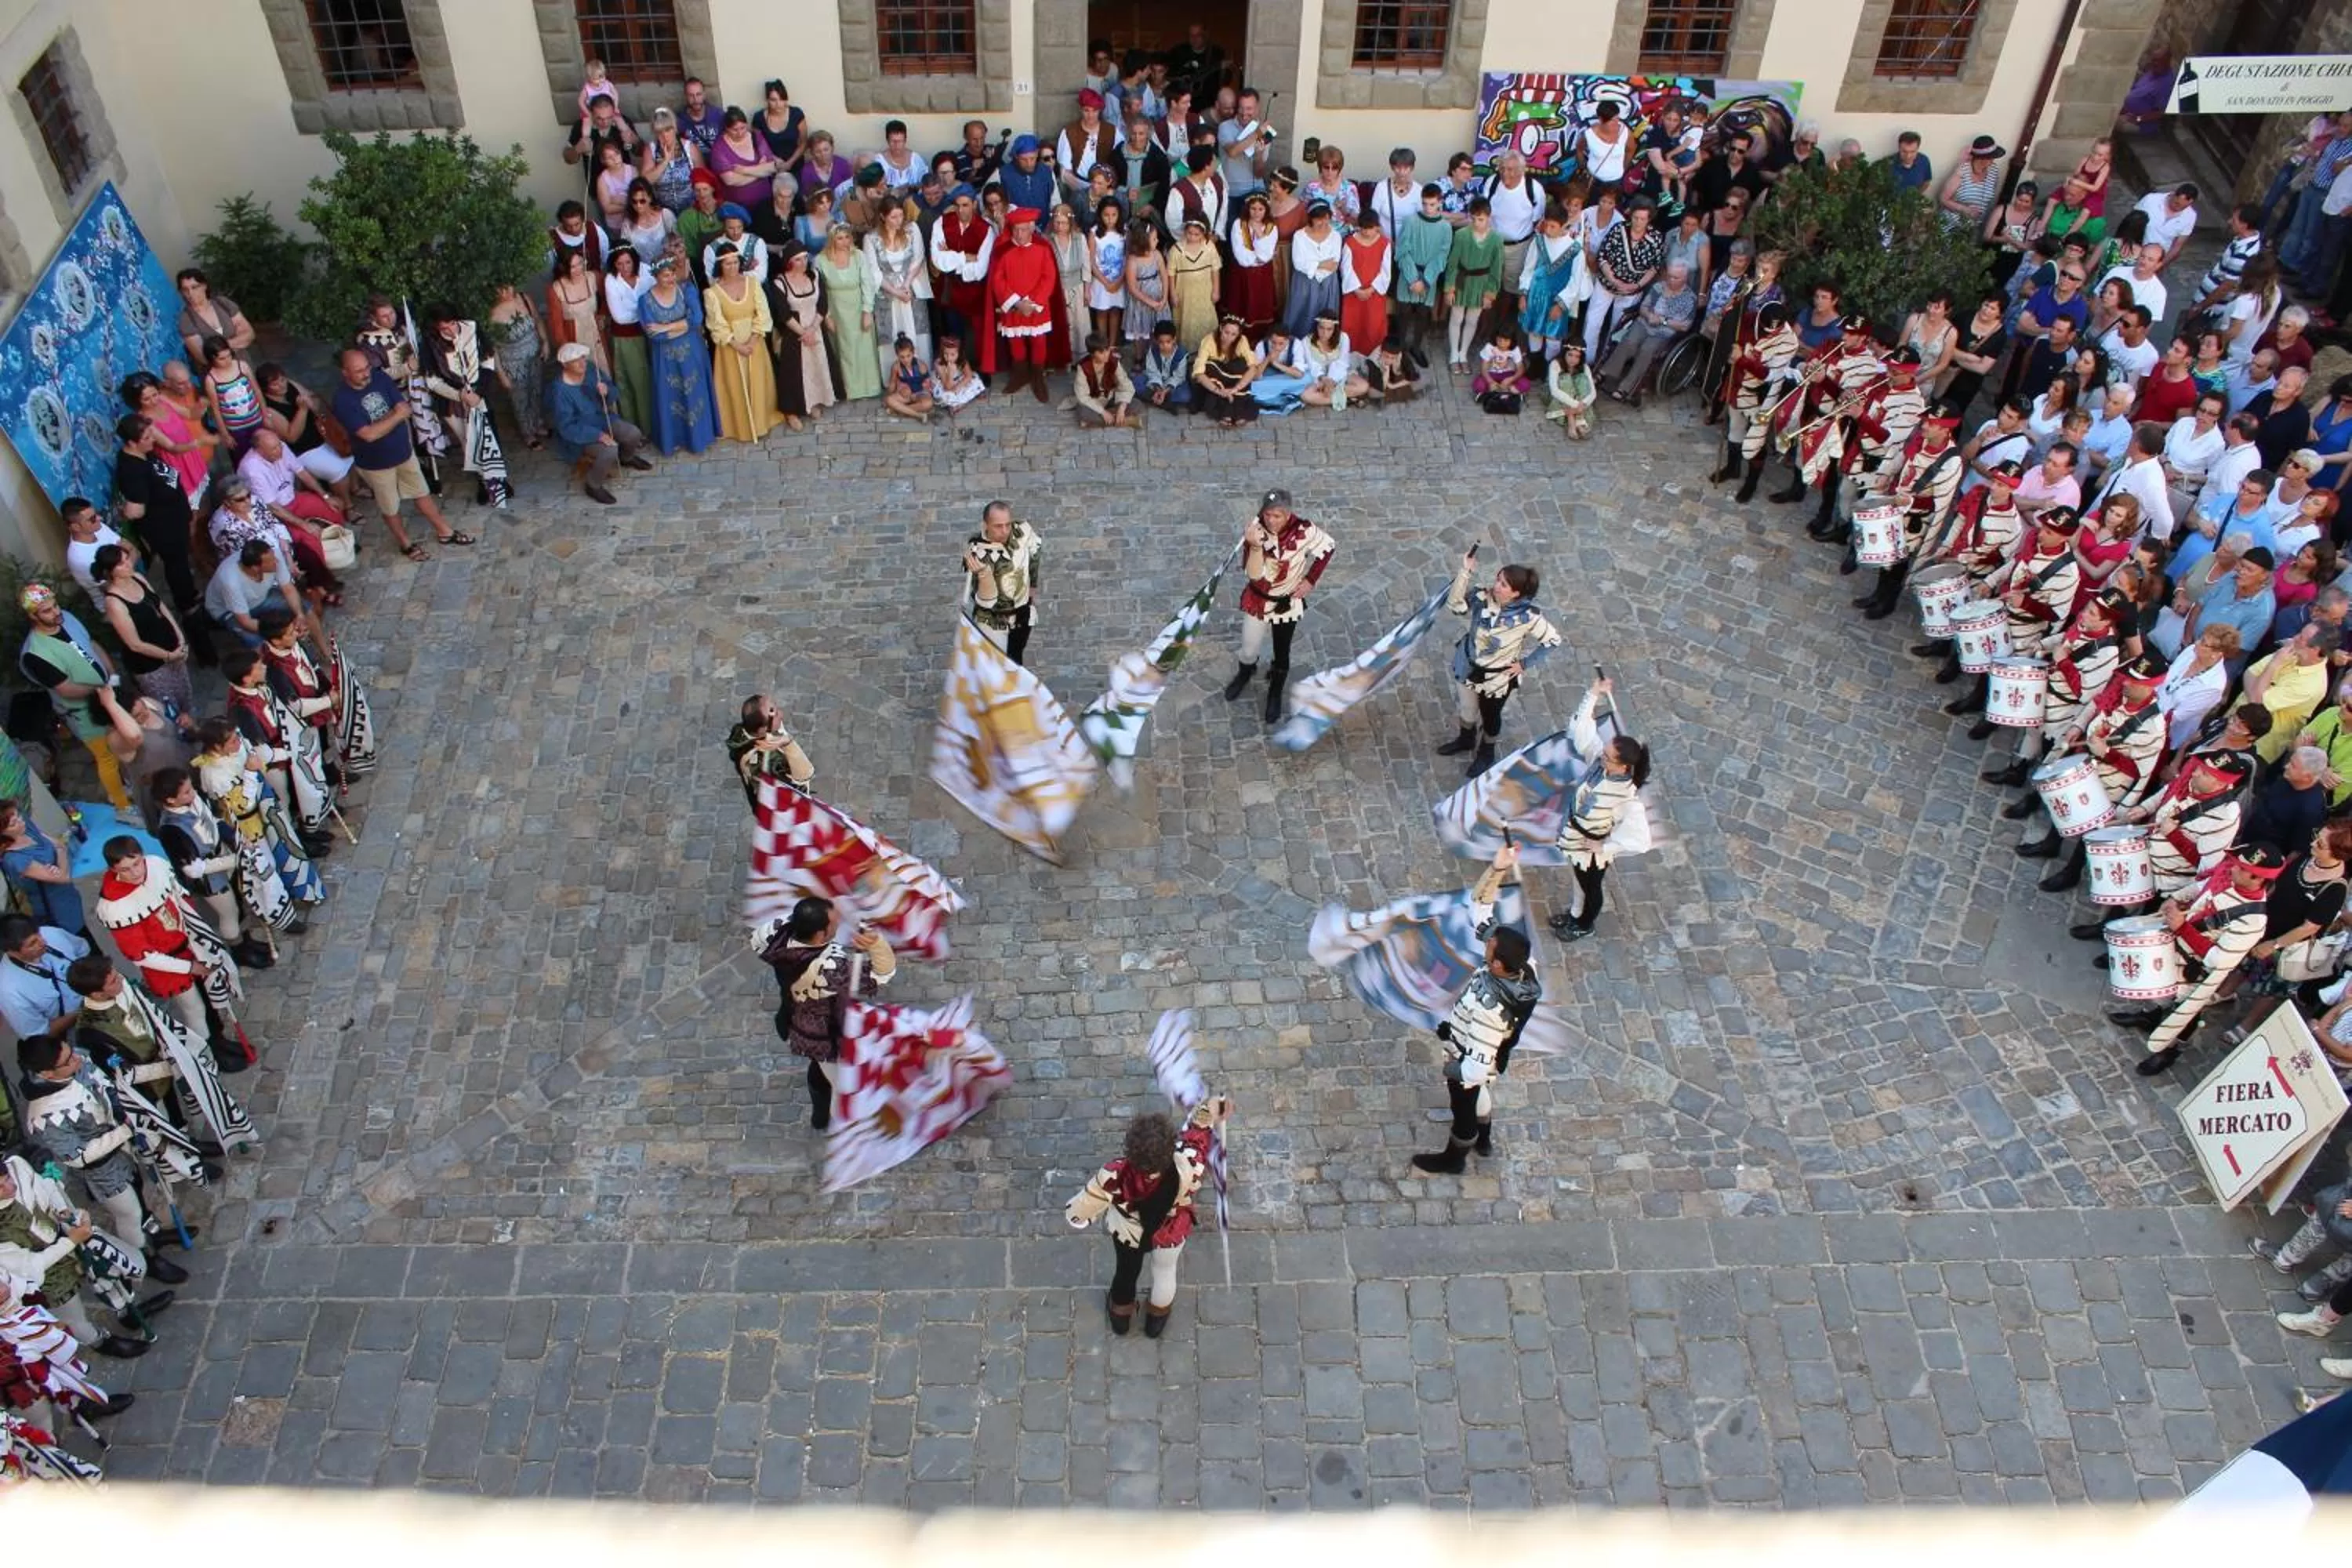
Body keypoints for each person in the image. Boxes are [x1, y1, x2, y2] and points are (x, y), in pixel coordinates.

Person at [1410, 844, 1537, 1174]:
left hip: (1469, 1054)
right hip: (1484, 1052)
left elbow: (1476, 1069)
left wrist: (1454, 1069)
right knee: (1482, 1091)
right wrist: (1498, 869)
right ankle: (1485, 1139)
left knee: (1464, 1107)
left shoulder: (1488, 1010)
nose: (1487, 942)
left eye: (1490, 946)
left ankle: (1456, 1157)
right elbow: (1481, 906)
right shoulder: (1523, 968)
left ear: (1497, 964)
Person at [1065, 1096, 1231, 1338]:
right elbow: (1197, 1139)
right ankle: (1156, 1319)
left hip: (1128, 1233)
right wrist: (1208, 1111)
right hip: (1170, 1231)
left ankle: (1121, 1317)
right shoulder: (1187, 1168)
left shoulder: (1113, 1174)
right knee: (1165, 1272)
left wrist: (1079, 1216)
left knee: (1126, 1272)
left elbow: (1082, 1209)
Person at [2110, 848, 2281, 1076]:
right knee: (2158, 987)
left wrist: (2183, 928)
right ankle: (2149, 1016)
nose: (2233, 868)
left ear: (2257, 879)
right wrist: (2176, 898)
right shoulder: (2230, 877)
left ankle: (2170, 1050)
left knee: (2186, 1009)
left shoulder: (2254, 921)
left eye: (2241, 868)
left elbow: (2218, 959)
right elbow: (2203, 888)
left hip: (2196, 967)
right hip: (2176, 945)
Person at [91, 837, 248, 1058]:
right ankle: (207, 1054)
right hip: (166, 966)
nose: (135, 873)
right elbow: (141, 955)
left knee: (209, 997)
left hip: (190, 946)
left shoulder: (155, 866)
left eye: (137, 864)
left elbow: (180, 901)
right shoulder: (116, 907)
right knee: (194, 1010)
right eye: (125, 870)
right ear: (113, 870)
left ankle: (218, 1039)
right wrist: (189, 967)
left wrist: (199, 938)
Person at [0, 1151, 159, 1361]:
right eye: (0, 1187)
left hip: (68, 1237)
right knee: (72, 1316)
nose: (10, 1186)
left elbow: (46, 1187)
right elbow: (30, 1266)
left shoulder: (17, 1165)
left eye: (7, 1178)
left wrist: (64, 1210)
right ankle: (101, 1342)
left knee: (108, 1276)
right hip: (48, 1273)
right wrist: (71, 1241)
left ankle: (128, 1313)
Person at [757, 895, 896, 1131]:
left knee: (819, 1069)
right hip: (826, 1035)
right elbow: (881, 974)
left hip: (793, 1019)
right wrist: (876, 945)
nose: (838, 923)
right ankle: (846, 1124)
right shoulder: (829, 970)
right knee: (843, 1083)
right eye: (833, 923)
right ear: (820, 934)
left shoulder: (777, 934)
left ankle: (819, 1117)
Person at [328, 348, 471, 561]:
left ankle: (445, 531)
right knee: (390, 507)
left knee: (421, 492)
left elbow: (403, 408)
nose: (366, 374)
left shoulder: (379, 377)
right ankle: (405, 543)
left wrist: (384, 422)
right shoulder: (343, 400)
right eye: (359, 371)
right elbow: (369, 435)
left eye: (367, 367)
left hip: (403, 451)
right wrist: (394, 417)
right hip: (376, 464)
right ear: (345, 373)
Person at [1441, 550, 1563, 777]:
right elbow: (1456, 606)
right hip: (1468, 666)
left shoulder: (1530, 617)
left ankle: (1486, 752)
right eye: (1498, 580)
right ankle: (1466, 739)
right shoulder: (1481, 597)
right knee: (1467, 708)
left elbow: (1552, 641)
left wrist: (1524, 664)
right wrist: (1465, 571)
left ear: (1516, 593)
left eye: (1504, 584)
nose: (1496, 585)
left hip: (1497, 679)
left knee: (1491, 717)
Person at [1548, 679, 1650, 943]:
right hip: (1574, 837)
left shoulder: (1626, 796)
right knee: (1577, 882)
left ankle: (1584, 924)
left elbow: (1639, 839)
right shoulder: (1599, 763)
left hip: (1591, 849)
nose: (1602, 756)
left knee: (1590, 888)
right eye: (1604, 753)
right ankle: (1574, 914)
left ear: (1623, 766)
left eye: (1608, 757)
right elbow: (1582, 730)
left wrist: (1604, 846)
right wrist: (1594, 693)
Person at [16, 583, 134, 811]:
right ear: (33, 616)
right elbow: (66, 688)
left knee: (123, 742)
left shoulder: (67, 618)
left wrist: (112, 674)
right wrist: (101, 690)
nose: (56, 612)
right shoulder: (35, 654)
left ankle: (131, 782)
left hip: (107, 693)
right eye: (47, 611)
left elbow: (91, 644)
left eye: (55, 605)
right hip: (83, 712)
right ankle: (121, 804)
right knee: (106, 757)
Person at [1222, 490, 1332, 723]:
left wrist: (1310, 580)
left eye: (1277, 516)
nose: (1271, 520)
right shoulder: (1256, 532)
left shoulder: (1304, 530)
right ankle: (1246, 673)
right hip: (1259, 600)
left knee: (1282, 653)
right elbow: (1254, 574)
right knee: (1249, 649)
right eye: (1268, 515)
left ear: (1288, 514)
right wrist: (1254, 546)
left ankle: (1275, 691)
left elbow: (1328, 548)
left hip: (1287, 603)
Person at [419, 306, 514, 511]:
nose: (451, 331)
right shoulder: (431, 343)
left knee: (490, 437)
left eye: (453, 324)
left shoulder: (472, 328)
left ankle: (499, 480)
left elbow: (487, 361)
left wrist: (478, 393)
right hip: (453, 401)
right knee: (468, 442)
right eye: (445, 328)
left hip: (478, 395)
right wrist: (459, 395)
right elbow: (432, 380)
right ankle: (483, 481)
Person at [111, 414, 201, 616]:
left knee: (182, 563)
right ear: (132, 443)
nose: (153, 440)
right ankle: (189, 607)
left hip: (177, 520)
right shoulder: (132, 471)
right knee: (177, 567)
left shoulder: (145, 454)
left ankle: (191, 595)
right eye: (147, 437)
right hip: (165, 529)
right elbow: (134, 511)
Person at [547, 342, 654, 506]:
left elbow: (612, 391)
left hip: (602, 419)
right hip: (581, 434)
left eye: (583, 358)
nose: (582, 363)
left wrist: (607, 391)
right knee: (609, 450)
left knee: (633, 434)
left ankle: (626, 458)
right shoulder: (560, 391)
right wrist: (597, 435)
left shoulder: (591, 369)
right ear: (565, 365)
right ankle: (593, 485)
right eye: (576, 361)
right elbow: (567, 427)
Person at [980, 208, 1070, 402]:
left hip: (1036, 307)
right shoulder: (1003, 250)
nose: (1020, 235)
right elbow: (998, 280)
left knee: (1039, 341)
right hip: (1014, 307)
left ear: (1031, 228)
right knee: (1016, 341)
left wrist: (1033, 302)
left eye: (1023, 230)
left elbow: (1049, 277)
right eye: (1016, 230)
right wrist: (1017, 302)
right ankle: (1020, 374)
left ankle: (1038, 377)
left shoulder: (1043, 248)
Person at [94, 546, 194, 714]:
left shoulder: (138, 578)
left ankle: (191, 720)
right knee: (167, 705)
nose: (128, 564)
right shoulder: (114, 602)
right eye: (121, 564)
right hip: (151, 664)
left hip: (172, 647)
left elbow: (160, 606)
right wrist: (168, 656)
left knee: (185, 693)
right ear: (110, 571)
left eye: (127, 559)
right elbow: (135, 644)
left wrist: (179, 637)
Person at [637, 252, 717, 455]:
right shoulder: (645, 300)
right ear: (656, 276)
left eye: (673, 273)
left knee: (695, 393)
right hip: (665, 358)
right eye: (666, 275)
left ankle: (700, 437)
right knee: (670, 396)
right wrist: (683, 326)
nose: (671, 278)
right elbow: (654, 335)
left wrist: (667, 326)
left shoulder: (686, 290)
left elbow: (697, 318)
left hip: (692, 352)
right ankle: (675, 438)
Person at [702, 245, 783, 441]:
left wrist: (752, 341)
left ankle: (761, 421)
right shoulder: (712, 293)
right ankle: (739, 426)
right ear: (720, 266)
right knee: (735, 387)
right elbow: (717, 324)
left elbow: (763, 313)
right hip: (731, 347)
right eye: (727, 264)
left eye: (735, 262)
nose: (732, 267)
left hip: (754, 342)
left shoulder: (752, 283)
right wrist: (737, 345)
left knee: (758, 383)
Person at [1598, 260, 1696, 407]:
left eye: (1675, 278)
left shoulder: (1689, 299)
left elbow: (1685, 326)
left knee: (1647, 350)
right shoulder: (1658, 287)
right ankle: (1606, 373)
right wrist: (1648, 315)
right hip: (1644, 324)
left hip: (1664, 333)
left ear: (1685, 279)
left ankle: (1626, 388)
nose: (1670, 280)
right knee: (1629, 341)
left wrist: (1662, 321)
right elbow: (1643, 307)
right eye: (1669, 276)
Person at [0, 800, 82, 940]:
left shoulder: (25, 828)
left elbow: (57, 844)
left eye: (17, 815)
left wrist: (58, 857)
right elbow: (64, 876)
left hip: (69, 897)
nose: (20, 821)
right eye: (13, 824)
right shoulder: (16, 859)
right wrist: (60, 852)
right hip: (57, 911)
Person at [1441, 198, 1504, 374]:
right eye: (1474, 218)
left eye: (1481, 219)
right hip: (1462, 281)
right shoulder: (1461, 235)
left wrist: (1490, 293)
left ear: (1489, 217)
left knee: (1472, 320)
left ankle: (1463, 354)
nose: (1477, 223)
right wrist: (1450, 287)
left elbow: (1497, 268)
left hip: (1481, 284)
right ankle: (1454, 355)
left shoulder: (1496, 239)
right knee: (1457, 317)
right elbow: (1453, 263)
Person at [726, 696, 815, 808]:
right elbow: (803, 777)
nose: (781, 714)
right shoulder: (767, 763)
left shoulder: (745, 730)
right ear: (763, 729)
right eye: (776, 715)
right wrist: (788, 744)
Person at [1192, 315, 1261, 426]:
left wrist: (1235, 389)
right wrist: (1219, 391)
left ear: (1238, 335)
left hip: (1234, 380)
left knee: (1242, 364)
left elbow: (1253, 367)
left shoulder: (1242, 340)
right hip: (1216, 382)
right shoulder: (1209, 340)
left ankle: (1239, 412)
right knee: (1209, 366)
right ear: (1221, 328)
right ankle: (1224, 413)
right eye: (1226, 333)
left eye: (1233, 335)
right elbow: (1199, 373)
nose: (1229, 338)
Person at [173, 268, 252, 363]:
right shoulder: (186, 320)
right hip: (217, 372)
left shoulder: (223, 303)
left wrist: (218, 349)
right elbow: (203, 357)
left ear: (204, 286)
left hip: (245, 365)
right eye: (185, 290)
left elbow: (249, 334)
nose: (190, 293)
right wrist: (238, 342)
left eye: (194, 287)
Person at [1071, 332, 1137, 429]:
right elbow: (1082, 396)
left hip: (1110, 398)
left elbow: (1127, 386)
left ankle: (1104, 420)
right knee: (1083, 412)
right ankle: (1118, 420)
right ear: (1092, 354)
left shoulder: (1113, 362)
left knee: (1136, 404)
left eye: (1107, 350)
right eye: (1101, 353)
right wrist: (1103, 412)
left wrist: (1122, 409)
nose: (1106, 355)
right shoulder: (1083, 367)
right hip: (1093, 402)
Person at [1544, 339, 1595, 438]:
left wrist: (1583, 404)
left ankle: (1578, 420)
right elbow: (1554, 391)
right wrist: (1577, 405)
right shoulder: (1556, 363)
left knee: (1583, 380)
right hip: (1555, 397)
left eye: (1577, 357)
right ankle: (1572, 421)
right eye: (1570, 355)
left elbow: (1593, 393)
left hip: (1578, 400)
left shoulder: (1585, 367)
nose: (1573, 359)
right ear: (1565, 353)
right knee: (1566, 378)